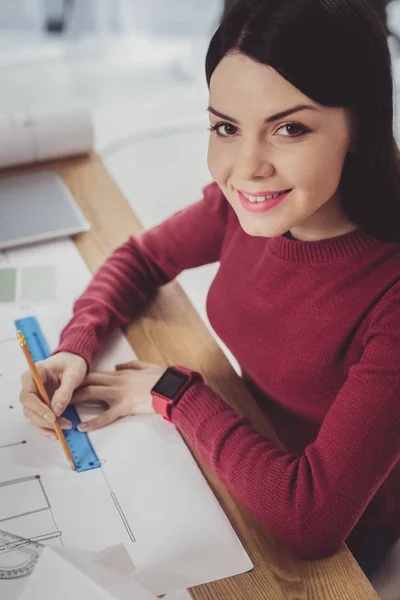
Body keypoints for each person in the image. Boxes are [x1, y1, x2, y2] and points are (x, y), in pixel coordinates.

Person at [20, 0, 400, 582]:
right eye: (226, 126)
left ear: (362, 127)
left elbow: (312, 520)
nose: (246, 167)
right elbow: (142, 257)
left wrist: (176, 394)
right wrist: (76, 345)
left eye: (289, 128)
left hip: (350, 534)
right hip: (244, 440)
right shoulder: (244, 205)